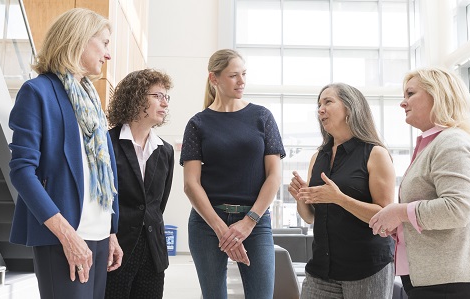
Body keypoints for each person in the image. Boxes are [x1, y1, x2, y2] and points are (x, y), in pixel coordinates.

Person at [7, 8, 122, 299]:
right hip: (63, 234)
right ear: (78, 40)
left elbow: (104, 170)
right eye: (104, 43)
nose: (108, 54)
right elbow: (22, 171)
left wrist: (111, 231)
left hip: (98, 232)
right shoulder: (38, 92)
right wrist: (66, 234)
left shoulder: (92, 100)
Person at [369, 67, 470, 299]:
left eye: (410, 94)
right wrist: (400, 225)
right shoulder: (434, 143)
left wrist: (400, 212)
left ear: (437, 95)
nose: (403, 103)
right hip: (436, 278)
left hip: (453, 282)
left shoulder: (452, 143)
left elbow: (458, 209)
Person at [180, 49, 285, 299]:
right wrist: (221, 229)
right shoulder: (198, 123)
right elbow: (191, 184)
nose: (242, 82)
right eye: (233, 75)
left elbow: (274, 176)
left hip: (256, 222)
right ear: (214, 78)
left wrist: (248, 222)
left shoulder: (262, 117)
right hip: (207, 224)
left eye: (244, 74)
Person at [288, 83, 396, 299]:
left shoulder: (375, 153)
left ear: (350, 108)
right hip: (321, 270)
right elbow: (310, 217)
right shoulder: (318, 157)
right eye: (319, 104)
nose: (320, 109)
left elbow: (386, 216)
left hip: (366, 269)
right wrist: (301, 198)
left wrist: (339, 199)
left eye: (328, 102)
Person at [104, 69, 174, 298]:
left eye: (167, 97)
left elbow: (157, 206)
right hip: (115, 248)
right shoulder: (107, 144)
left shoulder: (166, 151)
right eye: (158, 96)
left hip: (153, 252)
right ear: (136, 97)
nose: (165, 103)